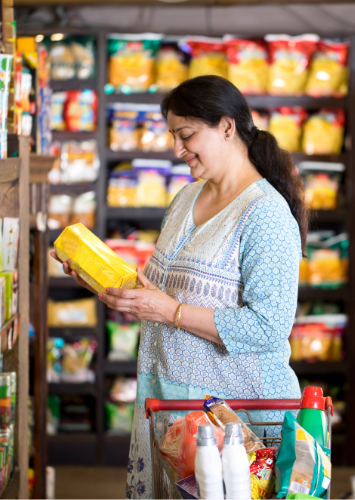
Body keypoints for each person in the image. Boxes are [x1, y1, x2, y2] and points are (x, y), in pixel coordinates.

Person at [51, 75, 308, 499]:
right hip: (171, 407)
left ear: (227, 127)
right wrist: (99, 277)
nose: (177, 150)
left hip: (232, 421)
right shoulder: (186, 199)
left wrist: (169, 310)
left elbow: (268, 327)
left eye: (186, 135)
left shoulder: (266, 215)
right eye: (174, 135)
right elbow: (161, 290)